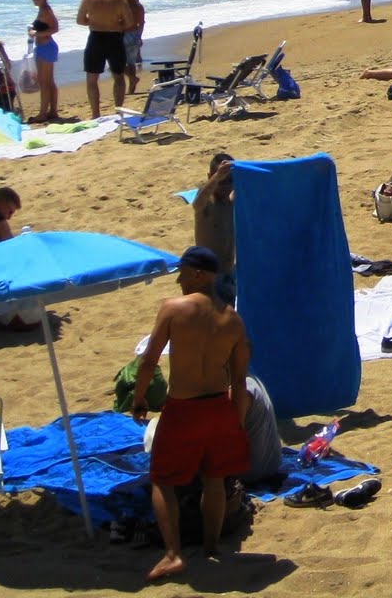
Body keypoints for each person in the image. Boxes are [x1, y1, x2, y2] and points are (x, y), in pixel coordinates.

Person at [132, 245, 251, 583]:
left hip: (184, 408)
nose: (179, 278)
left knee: (163, 480)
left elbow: (148, 360)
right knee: (214, 479)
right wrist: (237, 423)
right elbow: (239, 381)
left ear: (199, 274)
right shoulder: (233, 318)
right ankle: (211, 546)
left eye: (182, 271)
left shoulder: (173, 309)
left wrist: (140, 397)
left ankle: (173, 554)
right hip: (220, 407)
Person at [76, 0, 133, 117]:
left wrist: (96, 21)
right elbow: (129, 23)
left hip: (95, 37)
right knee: (118, 75)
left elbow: (80, 20)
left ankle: (95, 113)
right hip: (114, 38)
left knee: (92, 77)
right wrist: (114, 24)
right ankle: (118, 111)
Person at [192, 154, 237, 304]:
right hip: (209, 276)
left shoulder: (229, 202)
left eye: (230, 181)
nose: (226, 186)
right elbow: (197, 203)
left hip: (228, 272)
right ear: (210, 177)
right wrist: (217, 177)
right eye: (222, 182)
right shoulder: (207, 204)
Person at [25, 0, 61, 121]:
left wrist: (36, 34)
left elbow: (55, 28)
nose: (33, 0)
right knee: (49, 81)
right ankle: (52, 111)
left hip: (45, 47)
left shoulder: (45, 10)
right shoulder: (43, 9)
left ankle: (42, 114)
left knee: (44, 82)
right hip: (45, 47)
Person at [119, 0, 146, 95]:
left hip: (123, 35)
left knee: (117, 62)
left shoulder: (123, 6)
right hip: (135, 35)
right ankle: (131, 86)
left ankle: (133, 80)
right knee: (130, 63)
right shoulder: (139, 6)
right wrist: (139, 37)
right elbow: (141, 24)